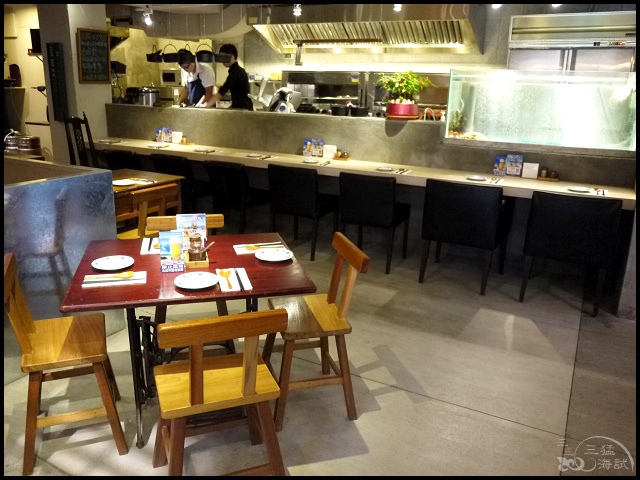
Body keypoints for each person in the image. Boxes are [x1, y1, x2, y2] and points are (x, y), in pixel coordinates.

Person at [210, 44, 253, 110]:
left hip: (244, 110)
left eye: (224, 57)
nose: (222, 60)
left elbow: (223, 90)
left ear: (232, 56)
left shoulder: (236, 72)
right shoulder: (237, 70)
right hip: (243, 108)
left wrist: (207, 105)